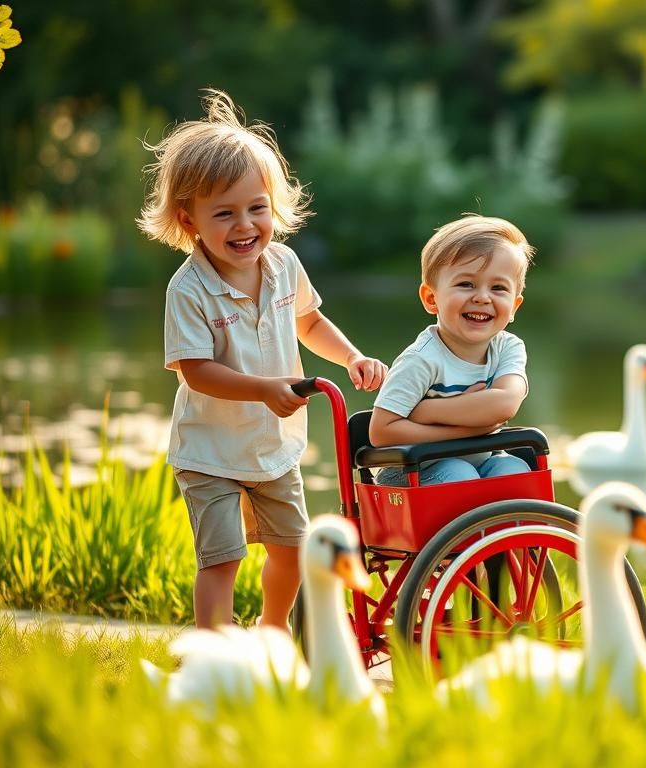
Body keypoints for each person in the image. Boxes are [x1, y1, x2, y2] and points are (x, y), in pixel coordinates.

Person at [136, 90, 387, 630]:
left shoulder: (283, 264)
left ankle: (271, 635)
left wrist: (350, 357)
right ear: (189, 221)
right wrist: (264, 388)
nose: (245, 225)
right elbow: (196, 371)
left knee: (293, 550)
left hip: (274, 448)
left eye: (257, 208)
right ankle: (216, 650)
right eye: (224, 213)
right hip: (210, 452)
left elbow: (310, 322)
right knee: (222, 556)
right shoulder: (189, 289)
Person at [369, 215, 533, 485]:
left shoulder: (508, 347)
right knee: (459, 473)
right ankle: (472, 528)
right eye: (466, 284)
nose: (482, 297)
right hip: (411, 473)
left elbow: (504, 403)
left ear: (514, 306)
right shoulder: (421, 359)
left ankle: (514, 528)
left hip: (475, 461)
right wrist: (466, 430)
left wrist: (427, 411)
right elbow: (381, 432)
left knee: (513, 467)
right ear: (432, 298)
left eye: (498, 288)